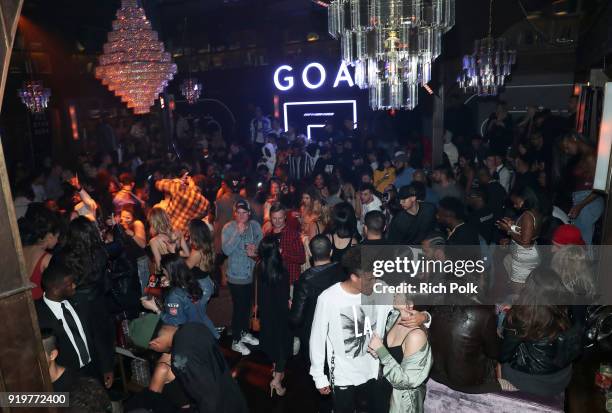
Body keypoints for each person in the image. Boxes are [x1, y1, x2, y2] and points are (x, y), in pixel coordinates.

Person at [309, 246, 430, 413]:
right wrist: (318, 376)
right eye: (370, 279)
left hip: (373, 371)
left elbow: (404, 305)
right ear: (354, 277)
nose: (375, 282)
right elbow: (317, 338)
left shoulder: (380, 290)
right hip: (344, 375)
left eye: (376, 277)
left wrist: (423, 317)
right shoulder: (329, 299)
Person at [499, 268, 583, 396]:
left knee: (499, 362)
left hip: (532, 382)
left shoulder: (520, 318)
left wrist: (507, 321)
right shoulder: (564, 309)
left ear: (529, 290)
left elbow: (503, 355)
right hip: (562, 378)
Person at [35, 261, 114, 388]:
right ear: (55, 289)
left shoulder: (81, 300)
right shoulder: (37, 315)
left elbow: (97, 334)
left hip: (94, 370)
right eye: (69, 284)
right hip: (66, 380)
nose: (74, 286)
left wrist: (106, 367)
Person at [151, 323, 249, 413]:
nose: (156, 351)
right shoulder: (194, 326)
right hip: (233, 395)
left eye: (152, 348)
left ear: (154, 343)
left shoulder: (180, 356)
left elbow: (207, 398)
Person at [367, 294, 433, 413]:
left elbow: (406, 382)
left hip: (400, 402)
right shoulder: (394, 317)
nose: (393, 292)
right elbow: (392, 357)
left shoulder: (416, 336)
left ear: (410, 303)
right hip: (382, 391)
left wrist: (381, 351)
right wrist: (378, 351)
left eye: (398, 291)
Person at [290, 235, 345, 359]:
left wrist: (292, 307)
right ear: (331, 252)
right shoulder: (343, 271)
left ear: (309, 253)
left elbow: (296, 318)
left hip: (313, 333)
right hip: (338, 330)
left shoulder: (305, 279)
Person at [429, 300, 500, 393]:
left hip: (436, 375)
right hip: (468, 383)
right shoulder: (484, 312)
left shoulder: (434, 305)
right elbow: (494, 353)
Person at [221, 199, 262, 355]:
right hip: (235, 276)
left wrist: (256, 251)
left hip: (251, 274)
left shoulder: (255, 226)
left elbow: (261, 247)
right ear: (234, 213)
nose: (241, 216)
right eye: (238, 212)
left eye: (244, 212)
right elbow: (226, 250)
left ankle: (244, 333)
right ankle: (236, 340)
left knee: (247, 307)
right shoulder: (229, 228)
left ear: (249, 213)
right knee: (239, 308)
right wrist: (237, 233)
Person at [151, 254, 219, 339]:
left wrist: (156, 309)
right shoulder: (192, 281)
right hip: (203, 330)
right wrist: (171, 281)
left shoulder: (174, 296)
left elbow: (176, 322)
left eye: (164, 270)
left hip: (191, 336)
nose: (163, 273)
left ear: (170, 271)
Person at [256, 236, 291, 396]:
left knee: (273, 342)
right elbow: (283, 298)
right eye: (278, 247)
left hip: (266, 314)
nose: (281, 248)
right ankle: (276, 381)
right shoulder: (282, 270)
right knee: (282, 346)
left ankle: (276, 368)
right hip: (280, 315)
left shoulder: (260, 267)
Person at [560, 132, 604, 245]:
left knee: (583, 241)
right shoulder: (584, 156)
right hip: (582, 201)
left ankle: (584, 262)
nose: (566, 151)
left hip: (588, 201)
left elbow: (600, 187)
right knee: (579, 240)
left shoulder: (590, 156)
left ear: (574, 138)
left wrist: (581, 205)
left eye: (567, 147)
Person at [497, 186, 542, 287]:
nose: (514, 205)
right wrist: (512, 226)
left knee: (518, 290)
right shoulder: (534, 211)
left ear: (524, 199)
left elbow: (525, 242)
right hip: (528, 254)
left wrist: (508, 230)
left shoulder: (527, 216)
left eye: (516, 202)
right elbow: (528, 233)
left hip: (524, 256)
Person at [18, 204, 60, 299]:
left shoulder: (22, 250)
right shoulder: (46, 259)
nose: (58, 241)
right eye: (57, 237)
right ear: (49, 236)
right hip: (39, 307)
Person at [267, 202, 305, 285]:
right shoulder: (268, 234)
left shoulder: (293, 234)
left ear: (285, 217)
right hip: (273, 280)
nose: (277, 221)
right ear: (270, 217)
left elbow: (301, 258)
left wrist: (282, 253)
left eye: (280, 218)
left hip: (289, 281)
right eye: (274, 218)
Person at [118, 204, 148, 295]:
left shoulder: (137, 223)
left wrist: (132, 234)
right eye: (123, 217)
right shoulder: (122, 226)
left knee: (144, 291)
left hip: (140, 262)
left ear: (133, 217)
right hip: (131, 264)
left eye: (128, 217)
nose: (125, 220)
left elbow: (143, 244)